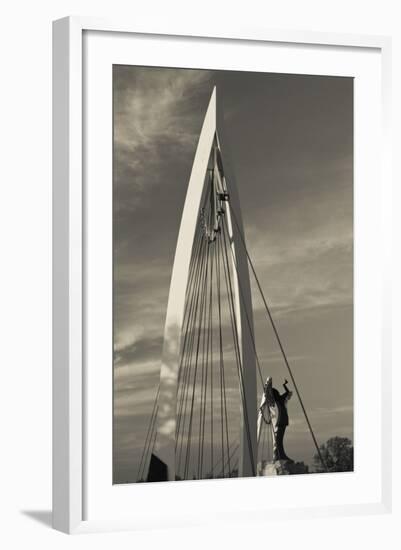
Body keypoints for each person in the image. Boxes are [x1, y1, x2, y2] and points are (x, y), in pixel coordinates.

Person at [259, 377, 293, 462]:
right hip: (282, 419)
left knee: (279, 438)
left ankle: (279, 454)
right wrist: (284, 385)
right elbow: (288, 393)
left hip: (282, 419)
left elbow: (287, 393)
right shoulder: (280, 399)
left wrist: (284, 385)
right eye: (277, 392)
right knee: (279, 438)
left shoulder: (279, 399)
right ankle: (279, 454)